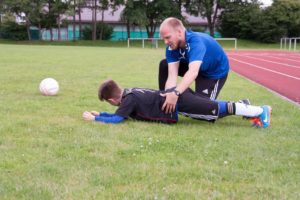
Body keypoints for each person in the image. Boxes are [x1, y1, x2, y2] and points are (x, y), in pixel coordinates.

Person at [82, 79, 272, 128]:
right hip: (177, 97)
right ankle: (244, 106)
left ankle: (260, 110)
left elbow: (117, 119)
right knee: (211, 110)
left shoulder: (127, 100)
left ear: (113, 100)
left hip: (179, 102)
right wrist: (100, 114)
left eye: (109, 105)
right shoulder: (130, 93)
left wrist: (95, 120)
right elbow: (118, 115)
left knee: (214, 111)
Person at [159, 17, 230, 114]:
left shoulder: (196, 42)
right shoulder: (171, 48)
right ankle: (165, 103)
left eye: (167, 37)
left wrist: (176, 92)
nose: (166, 42)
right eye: (163, 39)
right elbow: (172, 75)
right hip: (196, 66)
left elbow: (193, 72)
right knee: (164, 64)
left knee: (203, 109)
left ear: (179, 32)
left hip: (213, 72)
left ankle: (238, 105)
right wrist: (169, 94)